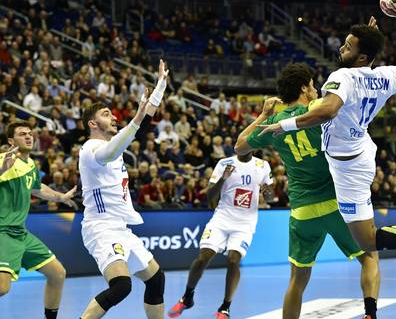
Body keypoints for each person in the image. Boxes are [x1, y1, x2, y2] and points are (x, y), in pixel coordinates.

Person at [258, 0, 396, 267]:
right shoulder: (385, 76)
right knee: (366, 239)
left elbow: (328, 110)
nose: (341, 48)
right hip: (361, 151)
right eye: (345, 43)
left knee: (367, 242)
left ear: (362, 57)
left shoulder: (342, 77)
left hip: (348, 169)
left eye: (349, 46)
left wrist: (282, 125)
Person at [235, 63, 381, 319]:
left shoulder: (274, 124)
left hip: (302, 212)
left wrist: (262, 115)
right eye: (313, 85)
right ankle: (370, 314)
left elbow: (240, 147)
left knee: (297, 279)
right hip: (337, 206)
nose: (315, 90)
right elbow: (347, 94)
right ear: (304, 88)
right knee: (369, 257)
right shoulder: (316, 111)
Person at [78, 60, 169, 319]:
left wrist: (160, 87)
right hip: (101, 227)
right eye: (106, 114)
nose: (114, 116)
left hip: (120, 227)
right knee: (121, 287)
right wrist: (138, 115)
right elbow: (113, 148)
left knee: (156, 280)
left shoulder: (114, 147)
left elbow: (139, 129)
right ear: (92, 124)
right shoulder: (90, 149)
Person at [168, 152, 272, 319]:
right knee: (203, 258)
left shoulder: (262, 165)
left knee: (233, 260)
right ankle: (187, 297)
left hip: (245, 223)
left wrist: (267, 192)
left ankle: (225, 307)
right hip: (222, 218)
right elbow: (210, 197)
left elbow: (271, 196)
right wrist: (223, 178)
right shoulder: (225, 163)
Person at [0, 121, 77, 319]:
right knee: (2, 287)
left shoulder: (31, 164)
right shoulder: (3, 160)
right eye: (21, 134)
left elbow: (37, 189)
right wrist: (2, 169)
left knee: (57, 273)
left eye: (30, 133)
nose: (28, 136)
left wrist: (60, 197)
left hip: (21, 233)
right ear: (11, 140)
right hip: (3, 232)